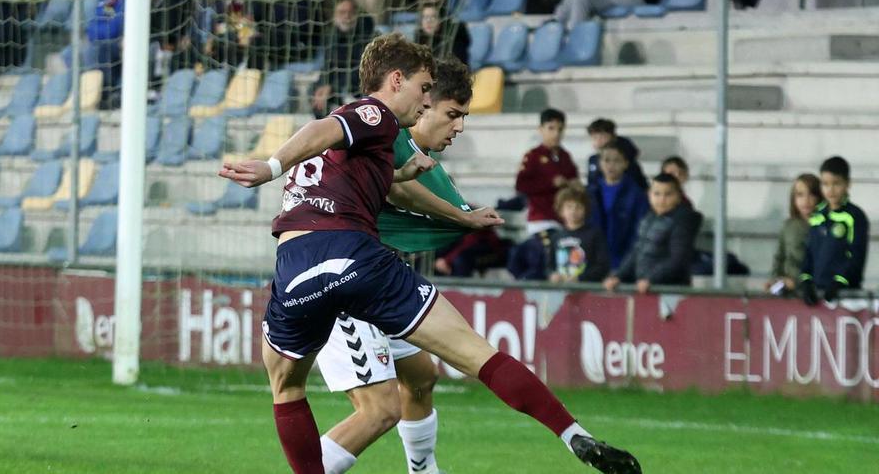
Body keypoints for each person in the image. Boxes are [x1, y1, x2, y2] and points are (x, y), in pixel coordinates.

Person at [219, 33, 640, 474]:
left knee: (300, 388)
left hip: (294, 268)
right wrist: (269, 166)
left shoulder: (371, 153)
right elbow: (324, 128)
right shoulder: (376, 113)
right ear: (395, 80)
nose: (426, 101)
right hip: (354, 260)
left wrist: (431, 195)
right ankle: (574, 435)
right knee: (465, 361)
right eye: (424, 89)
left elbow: (394, 190)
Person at [315, 58, 504, 474]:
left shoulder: (411, 154)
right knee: (379, 412)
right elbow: (402, 196)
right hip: (346, 285)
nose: (458, 127)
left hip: (381, 283)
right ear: (422, 104)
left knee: (420, 378)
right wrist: (462, 216)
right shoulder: (378, 139)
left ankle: (423, 471)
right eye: (451, 114)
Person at [603, 173, 701, 294]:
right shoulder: (648, 218)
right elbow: (636, 251)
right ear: (649, 194)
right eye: (657, 194)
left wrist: (651, 279)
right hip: (646, 288)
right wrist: (618, 276)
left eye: (668, 194)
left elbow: (678, 259)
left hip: (670, 291)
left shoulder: (684, 220)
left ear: (679, 196)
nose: (662, 199)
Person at [799, 157, 870, 305]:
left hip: (846, 295)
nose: (830, 190)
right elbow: (809, 254)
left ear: (848, 184)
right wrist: (806, 282)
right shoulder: (817, 215)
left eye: (836, 183)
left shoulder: (854, 216)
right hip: (817, 294)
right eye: (825, 184)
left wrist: (839, 283)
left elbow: (857, 256)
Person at [515, 108, 580, 236]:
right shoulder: (533, 156)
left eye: (560, 129)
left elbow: (574, 179)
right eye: (551, 128)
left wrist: (574, 185)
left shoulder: (566, 156)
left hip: (565, 219)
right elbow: (521, 186)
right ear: (540, 129)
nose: (556, 134)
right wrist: (550, 183)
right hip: (541, 219)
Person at [588, 141, 649, 270]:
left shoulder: (637, 194)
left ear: (626, 164)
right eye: (606, 160)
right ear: (600, 163)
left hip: (625, 258)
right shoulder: (590, 192)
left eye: (617, 161)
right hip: (594, 260)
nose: (611, 165)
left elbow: (640, 231)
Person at [312, 0, 376, 118]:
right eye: (342, 12)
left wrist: (331, 87)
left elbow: (360, 70)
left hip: (359, 87)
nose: (347, 16)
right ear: (334, 16)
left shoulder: (367, 36)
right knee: (316, 94)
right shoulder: (330, 36)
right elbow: (327, 66)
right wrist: (322, 86)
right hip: (339, 87)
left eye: (350, 12)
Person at [764, 174, 820, 296]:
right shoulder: (788, 226)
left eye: (811, 194)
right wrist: (774, 280)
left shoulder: (824, 227)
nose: (806, 200)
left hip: (814, 292)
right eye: (800, 195)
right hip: (788, 291)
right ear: (793, 198)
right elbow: (779, 257)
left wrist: (797, 282)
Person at [548, 185, 610, 283]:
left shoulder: (595, 234)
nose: (573, 211)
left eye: (578, 207)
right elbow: (549, 265)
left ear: (586, 210)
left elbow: (602, 266)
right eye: (569, 207)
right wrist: (552, 275)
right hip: (560, 292)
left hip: (588, 291)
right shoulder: (556, 236)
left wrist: (580, 278)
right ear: (561, 210)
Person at [586, 118, 648, 190]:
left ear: (613, 137)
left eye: (603, 136)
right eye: (594, 138)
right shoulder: (593, 159)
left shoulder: (626, 158)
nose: (599, 141)